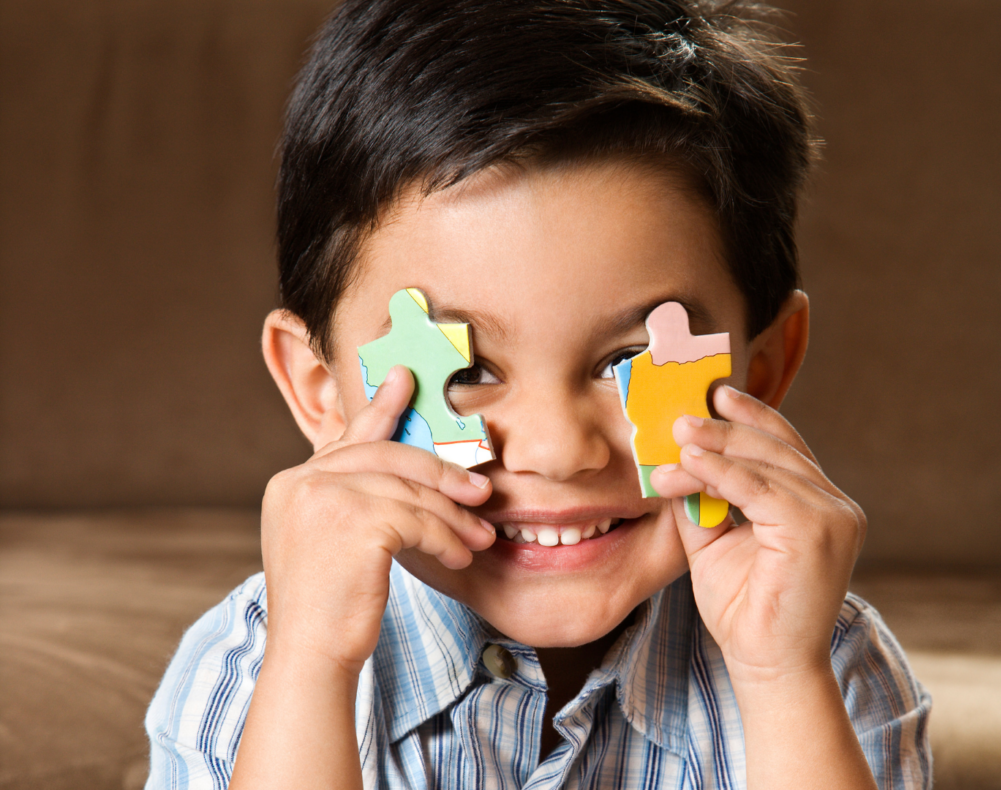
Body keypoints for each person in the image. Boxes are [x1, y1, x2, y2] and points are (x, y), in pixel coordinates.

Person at [144, 1, 932, 787]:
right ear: (321, 391)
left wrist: (780, 680)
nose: (559, 451)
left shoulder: (823, 664)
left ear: (757, 374)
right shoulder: (251, 669)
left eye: (630, 358)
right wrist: (311, 666)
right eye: (469, 372)